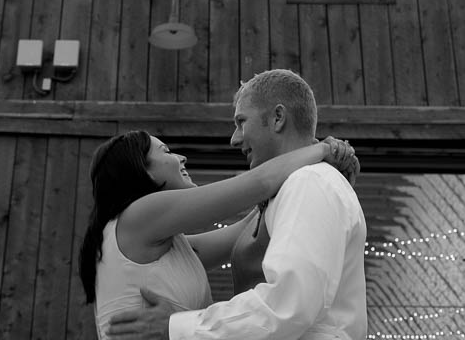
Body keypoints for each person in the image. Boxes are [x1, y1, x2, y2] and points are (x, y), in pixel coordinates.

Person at [106, 69, 367, 340]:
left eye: (241, 122)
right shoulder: (297, 187)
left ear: (278, 118)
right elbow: (258, 189)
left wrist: (177, 326)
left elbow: (287, 306)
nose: (234, 139)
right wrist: (322, 150)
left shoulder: (310, 182)